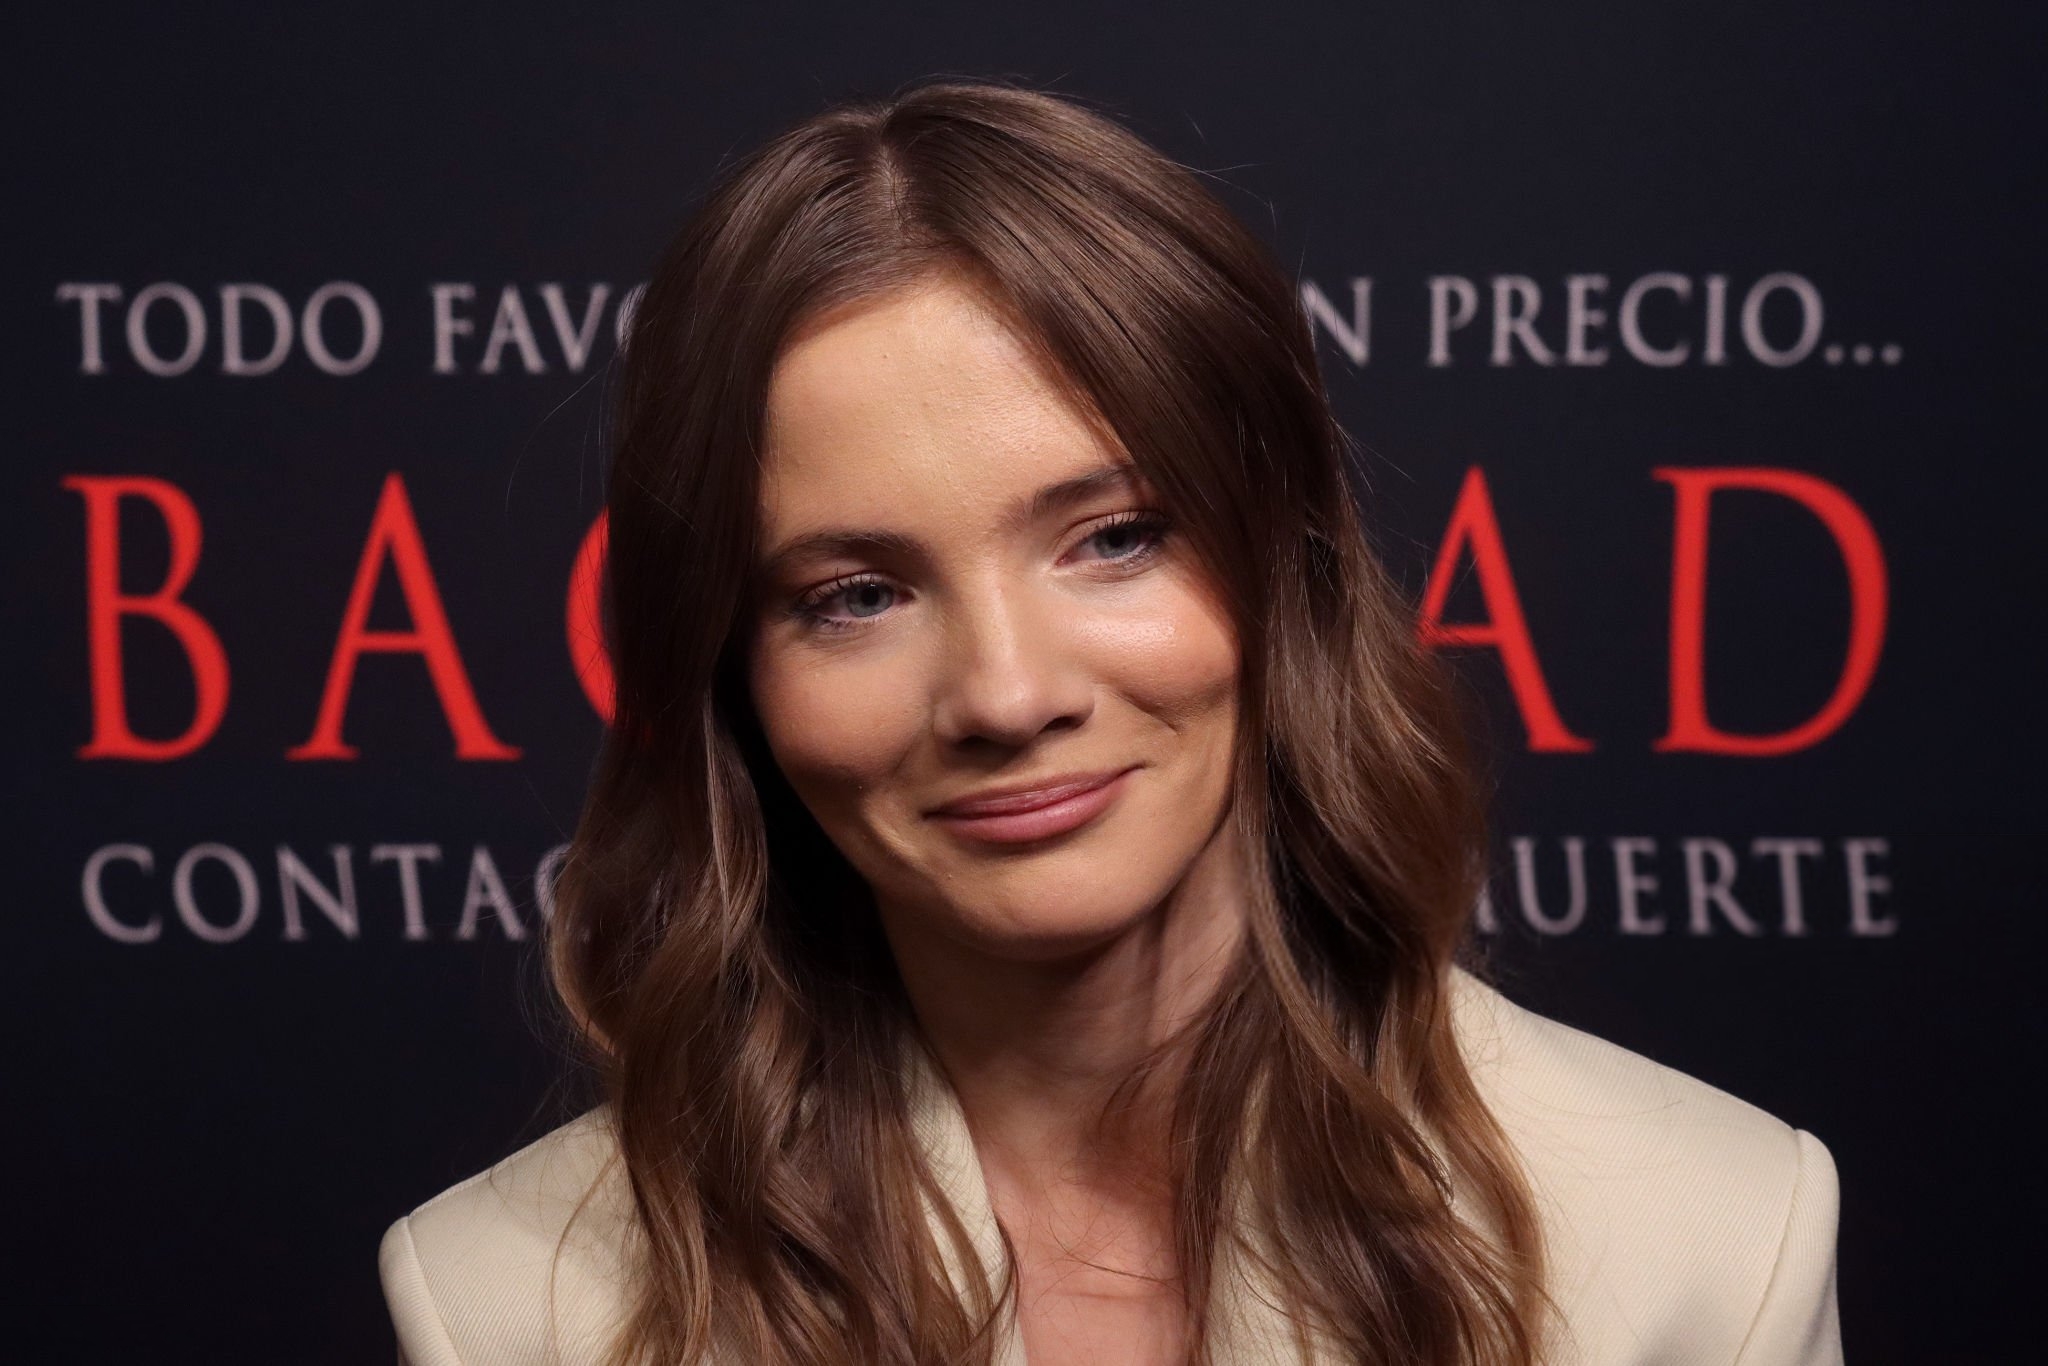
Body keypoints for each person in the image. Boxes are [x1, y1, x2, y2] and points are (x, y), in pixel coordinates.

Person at [376, 78, 1843, 1366]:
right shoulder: (510, 1310)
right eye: (856, 595)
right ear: (731, 676)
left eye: (1116, 536)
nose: (1009, 695)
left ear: (1286, 563)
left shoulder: (1703, 1238)